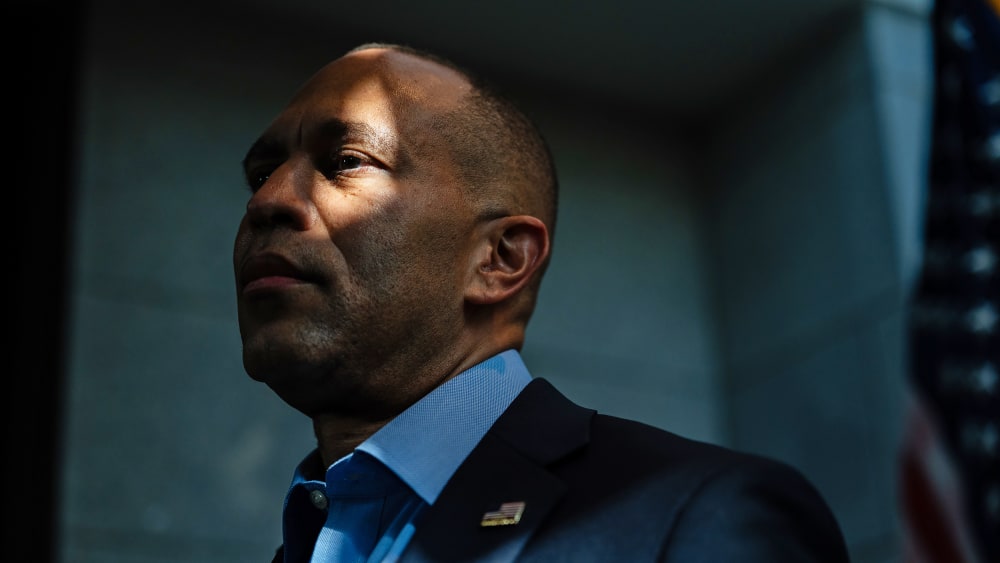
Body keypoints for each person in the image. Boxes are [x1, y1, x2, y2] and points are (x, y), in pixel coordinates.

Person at [233, 42, 851, 563]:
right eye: (262, 174)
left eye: (347, 161)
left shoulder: (703, 517)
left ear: (500, 259)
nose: (268, 201)